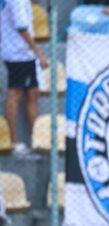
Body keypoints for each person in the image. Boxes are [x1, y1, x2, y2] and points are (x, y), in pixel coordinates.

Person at [0, 0, 50, 155]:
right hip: (19, 53)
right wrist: (39, 53)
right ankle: (14, 142)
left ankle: (37, 140)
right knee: (15, 94)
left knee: (32, 93)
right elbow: (21, 27)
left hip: (18, 51)